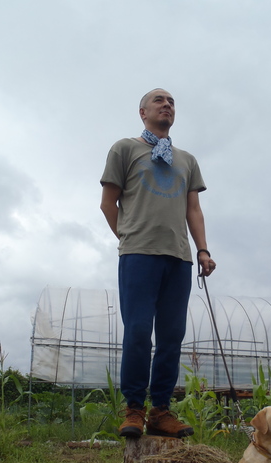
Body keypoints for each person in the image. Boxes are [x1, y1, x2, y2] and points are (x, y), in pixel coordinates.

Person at [100, 88, 216, 439]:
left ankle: (160, 410)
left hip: (178, 258)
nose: (167, 105)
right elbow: (108, 204)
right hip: (139, 255)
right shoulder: (125, 149)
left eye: (172, 102)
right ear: (142, 112)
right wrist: (129, 238)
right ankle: (134, 408)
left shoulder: (186, 160)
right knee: (137, 331)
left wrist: (202, 250)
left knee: (172, 336)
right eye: (159, 101)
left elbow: (193, 208)